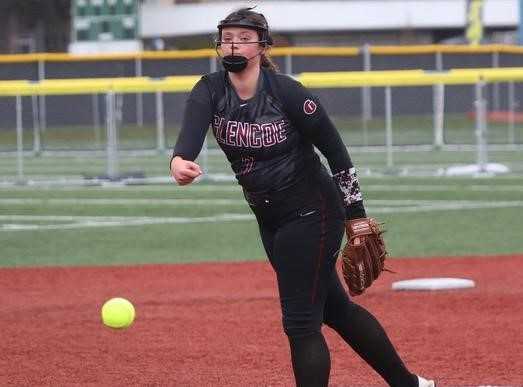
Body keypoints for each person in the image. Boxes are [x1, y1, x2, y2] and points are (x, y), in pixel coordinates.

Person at [170, 7, 435, 387]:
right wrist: (180, 160)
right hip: (270, 218)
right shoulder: (209, 90)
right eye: (228, 36)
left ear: (262, 46)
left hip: (314, 211)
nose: (234, 43)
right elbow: (190, 134)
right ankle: (410, 384)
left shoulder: (287, 93)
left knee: (300, 321)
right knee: (336, 309)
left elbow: (336, 152)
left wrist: (355, 212)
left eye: (244, 38)